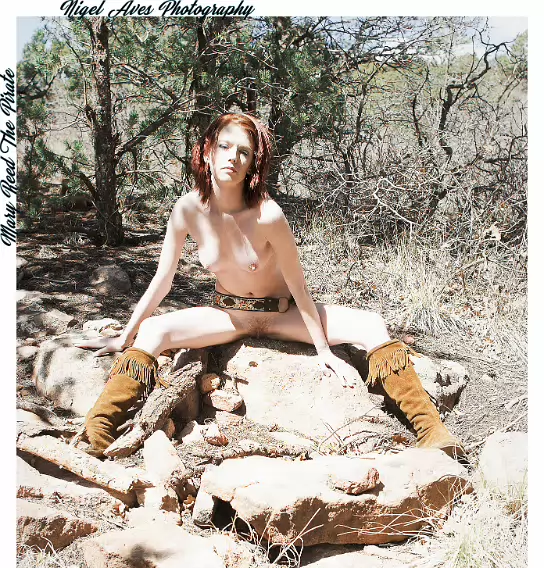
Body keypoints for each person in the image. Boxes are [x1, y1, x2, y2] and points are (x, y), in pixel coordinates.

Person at [75, 112, 464, 459]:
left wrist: (324, 350)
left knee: (371, 325)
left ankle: (431, 431)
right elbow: (162, 280)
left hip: (282, 316)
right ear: (207, 151)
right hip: (228, 316)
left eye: (243, 152)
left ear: (252, 164)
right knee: (153, 330)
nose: (232, 157)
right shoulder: (187, 209)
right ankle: (98, 429)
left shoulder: (268, 215)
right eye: (224, 146)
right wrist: (125, 336)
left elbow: (299, 287)